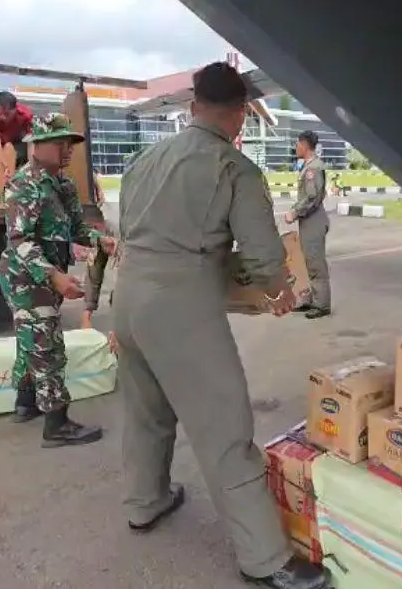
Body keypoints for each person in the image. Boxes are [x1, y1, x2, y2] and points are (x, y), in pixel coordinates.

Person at [111, 62, 328, 589]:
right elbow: (262, 252)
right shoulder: (234, 168)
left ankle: (145, 502)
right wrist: (278, 290)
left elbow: (131, 231)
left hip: (129, 297)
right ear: (240, 114)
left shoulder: (145, 158)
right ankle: (265, 559)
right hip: (179, 307)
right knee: (224, 427)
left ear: (193, 106)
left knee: (145, 410)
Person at [0, 113, 117, 444]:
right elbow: (19, 240)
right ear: (37, 145)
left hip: (47, 276)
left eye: (70, 144)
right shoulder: (24, 184)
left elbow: (76, 229)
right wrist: (53, 276)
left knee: (32, 342)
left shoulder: (63, 185)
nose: (68, 150)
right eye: (61, 143)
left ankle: (25, 404)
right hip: (25, 277)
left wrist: (100, 240)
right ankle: (57, 424)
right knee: (47, 347)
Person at [283, 130, 331, 318]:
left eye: (297, 144)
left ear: (304, 145)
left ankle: (321, 305)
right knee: (309, 261)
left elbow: (312, 197)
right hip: (310, 221)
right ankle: (312, 299)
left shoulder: (313, 168)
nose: (296, 147)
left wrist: (294, 212)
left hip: (313, 221)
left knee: (315, 263)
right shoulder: (310, 166)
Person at [0, 91, 34, 203]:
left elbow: (31, 142)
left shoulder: (26, 115)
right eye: (0, 114)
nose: (3, 117)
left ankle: (21, 195)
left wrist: (31, 164)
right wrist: (6, 165)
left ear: (15, 109)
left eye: (7, 114)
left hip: (17, 138)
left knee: (23, 165)